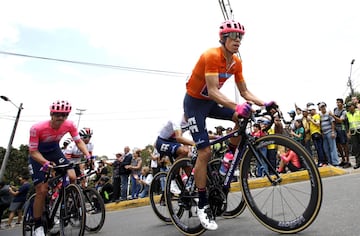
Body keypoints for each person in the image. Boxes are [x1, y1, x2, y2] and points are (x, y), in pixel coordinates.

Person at [183, 19, 276, 230]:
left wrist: (265, 102)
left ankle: (227, 160)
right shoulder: (211, 56)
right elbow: (214, 90)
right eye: (233, 36)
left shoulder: (236, 63)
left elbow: (245, 92)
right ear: (223, 38)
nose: (237, 41)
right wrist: (237, 106)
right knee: (204, 152)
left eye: (240, 37)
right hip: (195, 104)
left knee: (242, 118)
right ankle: (202, 203)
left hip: (211, 103)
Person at [28, 100, 93, 236]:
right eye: (58, 114)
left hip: (55, 151)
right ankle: (38, 225)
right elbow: (33, 151)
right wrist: (45, 163)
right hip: (38, 155)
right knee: (42, 189)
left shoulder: (69, 125)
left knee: (72, 176)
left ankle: (67, 205)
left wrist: (88, 155)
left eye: (64, 115)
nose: (61, 118)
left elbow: (78, 141)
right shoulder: (37, 128)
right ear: (51, 114)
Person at [155, 115, 195, 195]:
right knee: (184, 151)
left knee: (187, 164)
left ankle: (191, 188)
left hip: (174, 142)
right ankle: (171, 179)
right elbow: (179, 138)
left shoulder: (192, 121)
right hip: (162, 141)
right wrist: (194, 143)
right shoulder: (177, 120)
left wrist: (216, 137)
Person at [331, 98, 351, 168]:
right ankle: (343, 160)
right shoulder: (335, 109)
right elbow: (333, 121)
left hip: (342, 129)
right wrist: (333, 131)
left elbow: (340, 120)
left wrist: (332, 115)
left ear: (342, 103)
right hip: (336, 129)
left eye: (339, 102)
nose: (337, 104)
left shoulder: (344, 111)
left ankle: (348, 161)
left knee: (344, 145)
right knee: (338, 145)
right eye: (337, 102)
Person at [318, 102, 339, 166]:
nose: (323, 108)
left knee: (333, 148)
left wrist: (333, 132)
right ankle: (330, 162)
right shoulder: (320, 115)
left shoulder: (328, 113)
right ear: (320, 108)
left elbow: (332, 123)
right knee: (326, 148)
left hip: (330, 132)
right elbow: (320, 124)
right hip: (324, 133)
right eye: (321, 107)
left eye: (324, 106)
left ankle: (335, 162)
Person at [345, 102, 360, 169]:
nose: (349, 108)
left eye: (350, 106)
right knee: (356, 148)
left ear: (353, 106)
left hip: (359, 130)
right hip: (353, 132)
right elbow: (346, 124)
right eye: (348, 107)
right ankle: (358, 163)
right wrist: (347, 132)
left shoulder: (358, 112)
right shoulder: (347, 114)